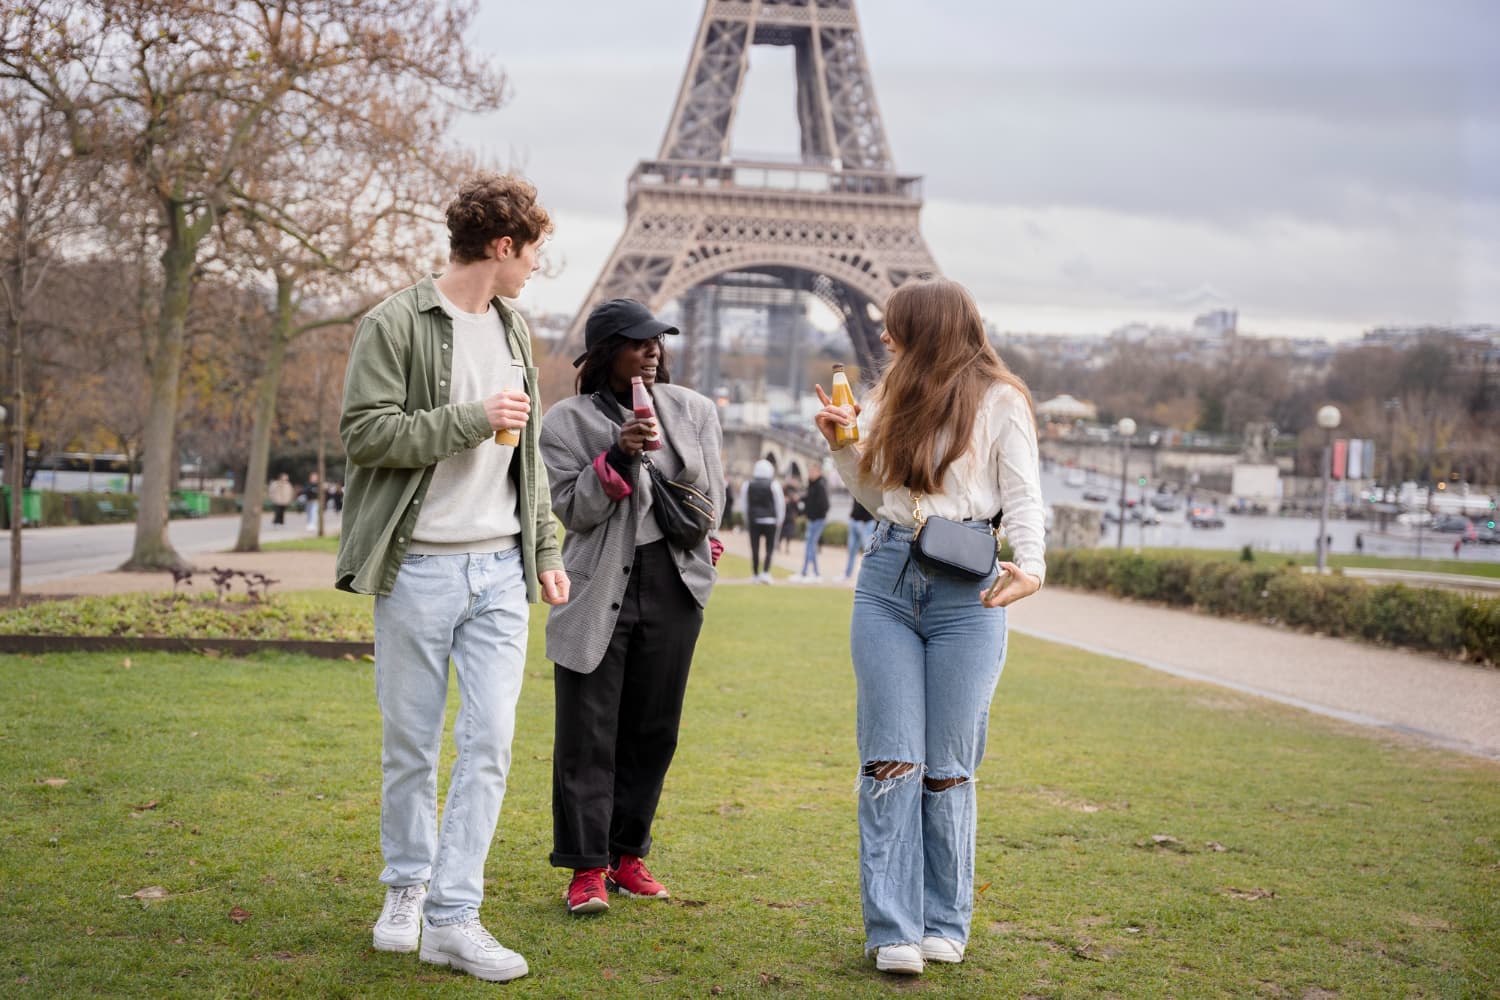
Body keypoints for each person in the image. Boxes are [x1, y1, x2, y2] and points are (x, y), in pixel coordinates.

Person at [335, 172, 569, 984]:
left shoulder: (515, 328)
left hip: (501, 568)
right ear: (503, 246)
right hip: (419, 567)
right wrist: (472, 419)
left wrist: (545, 550)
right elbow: (365, 435)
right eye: (532, 253)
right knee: (411, 743)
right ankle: (407, 886)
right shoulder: (394, 322)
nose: (535, 267)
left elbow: (528, 458)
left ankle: (453, 914)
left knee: (491, 740)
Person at [812, 278, 1046, 977]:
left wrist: (1032, 566)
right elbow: (879, 497)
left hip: (967, 590)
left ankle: (945, 920)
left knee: (948, 768)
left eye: (896, 326)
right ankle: (894, 927)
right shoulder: (890, 396)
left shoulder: (1001, 400)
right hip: (887, 578)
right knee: (890, 761)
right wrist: (842, 447)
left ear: (929, 328)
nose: (884, 337)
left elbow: (1023, 493)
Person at [539, 298, 724, 916]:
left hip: (673, 582)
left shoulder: (694, 410)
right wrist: (617, 456)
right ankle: (586, 868)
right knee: (587, 732)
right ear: (604, 353)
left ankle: (626, 856)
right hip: (595, 584)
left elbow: (712, 501)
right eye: (637, 341)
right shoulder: (565, 422)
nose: (651, 351)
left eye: (657, 341)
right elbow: (574, 510)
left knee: (654, 729)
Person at [738, 459, 784, 582]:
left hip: (754, 520)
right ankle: (766, 572)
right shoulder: (774, 485)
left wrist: (746, 519)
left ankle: (755, 574)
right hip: (771, 520)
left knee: (755, 548)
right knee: (770, 548)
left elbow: (744, 504)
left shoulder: (747, 485)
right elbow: (780, 504)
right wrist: (780, 520)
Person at [794, 462, 830, 581]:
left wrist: (814, 514)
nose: (810, 473)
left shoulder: (820, 485)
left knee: (810, 545)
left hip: (817, 520)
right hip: (812, 519)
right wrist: (801, 499)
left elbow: (824, 505)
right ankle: (815, 573)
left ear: (818, 472)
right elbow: (810, 498)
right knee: (811, 546)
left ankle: (805, 572)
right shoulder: (813, 485)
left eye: (812, 471)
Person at [842, 498, 875, 582]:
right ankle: (847, 574)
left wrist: (864, 520)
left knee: (868, 551)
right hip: (854, 521)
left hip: (866, 523)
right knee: (851, 551)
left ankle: (869, 577)